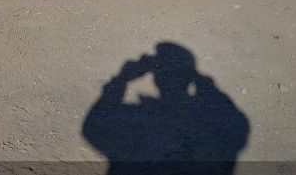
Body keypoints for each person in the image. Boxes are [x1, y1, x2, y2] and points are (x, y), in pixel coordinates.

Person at [83, 42, 249, 175]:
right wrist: (204, 83)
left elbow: (93, 128)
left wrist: (122, 79)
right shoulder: (211, 121)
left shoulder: (138, 119)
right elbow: (233, 122)